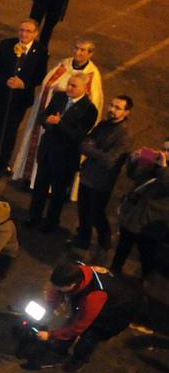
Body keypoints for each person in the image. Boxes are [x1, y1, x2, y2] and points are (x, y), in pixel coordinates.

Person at [10, 40, 104, 188]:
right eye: (76, 48)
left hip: (67, 134)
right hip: (49, 122)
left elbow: (92, 100)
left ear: (90, 54)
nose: (78, 53)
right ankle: (31, 178)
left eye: (83, 50)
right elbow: (47, 85)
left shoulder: (92, 75)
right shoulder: (64, 65)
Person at [16, 261, 141, 371]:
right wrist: (49, 307)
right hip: (101, 301)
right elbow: (57, 292)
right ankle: (59, 351)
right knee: (71, 323)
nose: (57, 289)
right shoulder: (73, 271)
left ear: (72, 285)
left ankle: (79, 360)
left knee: (89, 337)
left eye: (61, 288)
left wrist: (50, 335)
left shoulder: (93, 296)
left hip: (116, 313)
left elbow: (78, 326)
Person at [27, 72, 98, 233]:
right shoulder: (59, 97)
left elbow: (78, 136)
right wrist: (49, 122)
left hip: (65, 158)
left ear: (84, 88)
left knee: (58, 194)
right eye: (69, 84)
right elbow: (43, 116)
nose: (69, 88)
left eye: (74, 86)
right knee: (40, 188)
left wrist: (59, 123)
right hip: (47, 151)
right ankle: (34, 216)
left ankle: (51, 223)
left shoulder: (89, 109)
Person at [0, 19, 47, 173]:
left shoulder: (41, 51)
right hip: (1, 94)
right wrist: (5, 79)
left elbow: (41, 75)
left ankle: (3, 163)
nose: (24, 34)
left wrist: (24, 84)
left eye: (28, 31)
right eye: (21, 30)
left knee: (11, 131)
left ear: (35, 34)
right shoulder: (6, 45)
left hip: (20, 100)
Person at [74, 96, 133, 253]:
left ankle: (104, 240)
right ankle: (83, 239)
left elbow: (110, 160)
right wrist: (97, 151)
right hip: (88, 175)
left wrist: (92, 149)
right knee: (83, 209)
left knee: (96, 213)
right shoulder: (103, 124)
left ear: (126, 112)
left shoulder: (124, 135)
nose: (112, 110)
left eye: (118, 108)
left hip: (102, 181)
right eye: (111, 105)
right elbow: (83, 145)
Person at [111, 137, 169, 278]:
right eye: (164, 148)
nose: (165, 153)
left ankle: (145, 279)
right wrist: (133, 160)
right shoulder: (152, 163)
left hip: (151, 221)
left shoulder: (162, 168)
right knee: (122, 247)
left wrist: (164, 168)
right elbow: (133, 175)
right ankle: (113, 273)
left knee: (147, 253)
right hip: (134, 214)